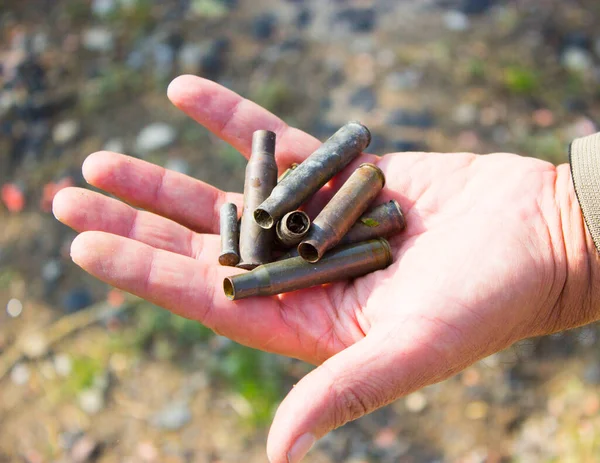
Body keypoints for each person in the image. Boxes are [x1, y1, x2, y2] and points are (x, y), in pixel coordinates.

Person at [52, 75, 600, 463]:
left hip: (347, 238)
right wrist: (568, 219)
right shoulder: (271, 224)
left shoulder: (338, 222)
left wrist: (567, 223)